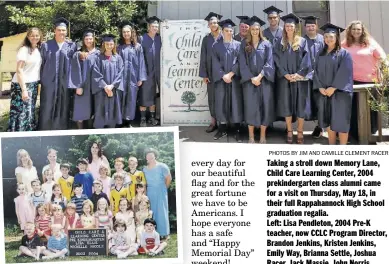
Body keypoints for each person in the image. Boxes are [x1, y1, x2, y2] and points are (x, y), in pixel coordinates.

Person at [341, 20, 387, 141]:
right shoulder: (345, 44)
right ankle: (354, 135)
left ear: (362, 31)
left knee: (370, 109)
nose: (356, 31)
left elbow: (383, 58)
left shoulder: (370, 43)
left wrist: (385, 73)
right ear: (350, 31)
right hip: (351, 81)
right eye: (354, 29)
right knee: (353, 110)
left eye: (358, 29)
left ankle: (370, 135)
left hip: (370, 81)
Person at [273, 13, 311, 144]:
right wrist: (285, 74)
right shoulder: (279, 42)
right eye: (287, 26)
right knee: (286, 105)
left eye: (291, 26)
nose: (289, 28)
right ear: (284, 27)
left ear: (295, 28)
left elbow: (307, 60)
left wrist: (298, 74)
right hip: (285, 79)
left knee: (300, 105)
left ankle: (300, 131)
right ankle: (289, 131)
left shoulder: (302, 41)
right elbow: (276, 59)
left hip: (299, 79)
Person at [314, 23, 354, 145]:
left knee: (341, 122)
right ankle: (331, 147)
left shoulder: (344, 53)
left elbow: (345, 72)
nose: (328, 39)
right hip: (324, 93)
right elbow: (315, 71)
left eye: (331, 36)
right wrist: (320, 86)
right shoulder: (320, 54)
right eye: (326, 37)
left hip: (340, 93)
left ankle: (342, 149)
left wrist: (334, 87)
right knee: (329, 121)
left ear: (337, 38)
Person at [239, 16, 275, 144]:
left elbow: (270, 62)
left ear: (260, 30)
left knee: (265, 107)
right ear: (250, 30)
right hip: (249, 82)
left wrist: (260, 76)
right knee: (250, 107)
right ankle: (251, 136)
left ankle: (263, 136)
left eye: (257, 29)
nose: (254, 31)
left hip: (264, 81)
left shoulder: (266, 44)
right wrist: (251, 77)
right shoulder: (244, 44)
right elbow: (242, 63)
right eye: (252, 29)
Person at [39, 17, 77, 130]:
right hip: (49, 83)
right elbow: (41, 65)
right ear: (54, 31)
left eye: (63, 30)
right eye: (59, 30)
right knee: (47, 106)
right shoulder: (46, 45)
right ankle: (45, 129)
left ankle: (61, 129)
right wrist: (42, 82)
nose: (61, 32)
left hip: (64, 83)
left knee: (64, 106)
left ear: (66, 32)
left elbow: (75, 65)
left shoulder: (72, 46)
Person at [211, 19, 243, 142]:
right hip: (221, 80)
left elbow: (241, 62)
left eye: (231, 30)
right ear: (222, 31)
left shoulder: (238, 45)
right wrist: (222, 75)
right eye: (226, 30)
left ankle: (237, 130)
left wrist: (231, 74)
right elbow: (215, 63)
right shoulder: (216, 46)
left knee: (236, 103)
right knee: (221, 103)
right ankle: (222, 129)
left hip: (234, 80)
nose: (229, 32)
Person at [8, 27, 42, 132]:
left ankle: (28, 134)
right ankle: (17, 135)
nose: (34, 37)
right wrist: (24, 90)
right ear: (28, 37)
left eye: (37, 35)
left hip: (33, 84)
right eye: (32, 35)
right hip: (21, 85)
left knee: (29, 112)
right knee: (21, 113)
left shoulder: (37, 49)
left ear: (40, 37)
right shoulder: (24, 50)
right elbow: (19, 70)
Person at [69, 28, 100, 129]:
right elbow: (74, 70)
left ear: (93, 39)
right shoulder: (79, 53)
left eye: (90, 38)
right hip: (83, 86)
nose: (88, 41)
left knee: (93, 109)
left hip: (95, 86)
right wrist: (77, 86)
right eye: (86, 39)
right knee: (80, 108)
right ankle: (80, 132)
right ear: (83, 40)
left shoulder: (98, 53)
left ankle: (91, 132)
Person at [118, 22, 147, 127]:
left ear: (132, 33)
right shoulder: (119, 47)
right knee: (121, 99)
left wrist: (141, 78)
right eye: (124, 32)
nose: (126, 34)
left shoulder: (137, 47)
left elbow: (141, 62)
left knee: (131, 99)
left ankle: (129, 121)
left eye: (128, 32)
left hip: (133, 78)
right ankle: (121, 121)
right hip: (121, 78)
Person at [92, 33, 124, 128]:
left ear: (114, 45)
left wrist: (112, 86)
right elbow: (96, 73)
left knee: (113, 109)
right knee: (100, 108)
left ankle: (111, 127)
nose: (109, 46)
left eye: (111, 44)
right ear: (103, 45)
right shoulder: (98, 57)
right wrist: (105, 86)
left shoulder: (118, 58)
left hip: (114, 90)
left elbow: (120, 73)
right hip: (102, 90)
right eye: (107, 44)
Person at [301, 15, 325, 139]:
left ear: (316, 27)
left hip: (321, 77)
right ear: (305, 28)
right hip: (306, 77)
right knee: (308, 102)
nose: (310, 28)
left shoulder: (323, 39)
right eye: (308, 26)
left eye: (312, 26)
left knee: (321, 102)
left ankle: (320, 126)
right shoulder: (301, 40)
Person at [199, 12, 223, 133]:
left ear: (218, 24)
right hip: (211, 74)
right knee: (212, 98)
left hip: (223, 74)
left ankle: (223, 122)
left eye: (215, 22)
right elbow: (203, 57)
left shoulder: (224, 37)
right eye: (211, 23)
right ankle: (213, 122)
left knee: (223, 97)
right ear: (208, 25)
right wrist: (204, 74)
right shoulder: (206, 39)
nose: (214, 24)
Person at [142, 149, 171, 238]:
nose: (149, 157)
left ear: (155, 155)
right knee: (151, 212)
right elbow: (145, 183)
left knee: (162, 212)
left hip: (161, 191)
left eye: (151, 155)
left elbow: (169, 179)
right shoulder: (144, 169)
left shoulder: (162, 166)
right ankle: (153, 233)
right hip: (150, 192)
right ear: (146, 157)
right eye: (148, 156)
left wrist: (163, 189)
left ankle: (164, 233)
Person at [139, 16, 162, 127]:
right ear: (148, 27)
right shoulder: (142, 39)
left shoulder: (159, 39)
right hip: (145, 72)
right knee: (144, 95)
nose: (155, 28)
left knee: (153, 95)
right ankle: (143, 118)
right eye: (153, 26)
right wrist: (141, 74)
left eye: (156, 26)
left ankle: (152, 118)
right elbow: (139, 58)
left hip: (157, 72)